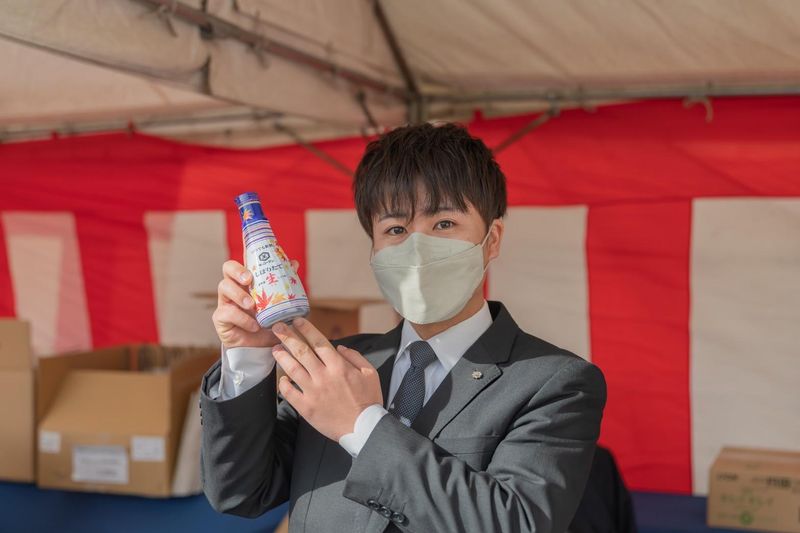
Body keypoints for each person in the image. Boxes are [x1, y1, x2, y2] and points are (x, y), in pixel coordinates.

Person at [201, 123, 607, 533]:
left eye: (443, 223)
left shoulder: (555, 383)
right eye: (395, 229)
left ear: (493, 239)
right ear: (373, 248)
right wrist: (247, 355)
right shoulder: (336, 365)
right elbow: (240, 492)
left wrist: (362, 424)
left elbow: (515, 523)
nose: (417, 248)